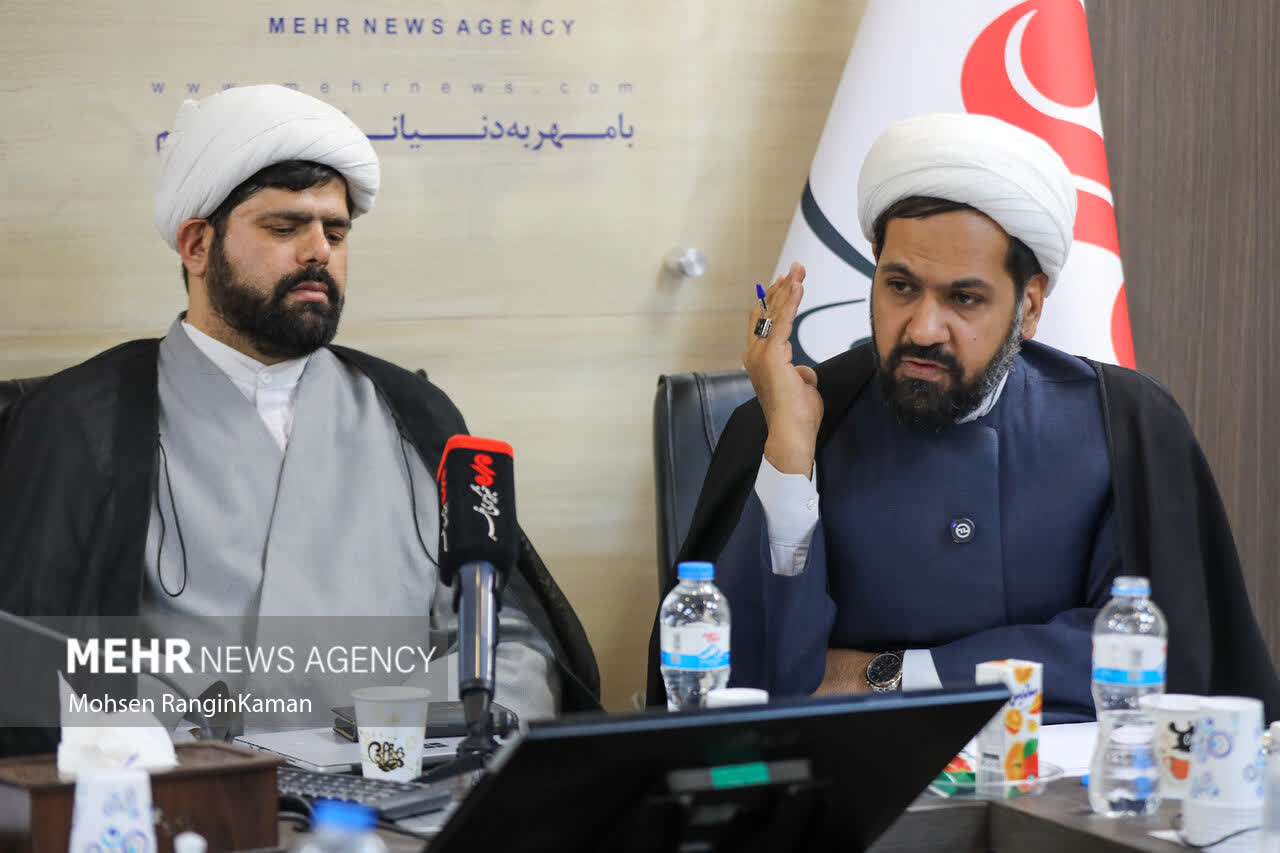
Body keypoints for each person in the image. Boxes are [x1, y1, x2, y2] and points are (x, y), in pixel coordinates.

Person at [0, 84, 599, 756]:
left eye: (335, 233)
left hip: (411, 781)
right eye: (284, 228)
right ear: (196, 245)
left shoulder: (415, 412)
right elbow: (31, 670)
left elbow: (509, 642)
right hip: (192, 791)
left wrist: (410, 737)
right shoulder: (82, 421)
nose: (319, 252)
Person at [648, 112, 1280, 722]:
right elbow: (743, 689)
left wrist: (894, 676)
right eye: (900, 287)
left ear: (1029, 307)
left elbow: (1143, 658)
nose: (924, 328)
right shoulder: (803, 418)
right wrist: (789, 454)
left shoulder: (1124, 425)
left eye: (964, 298)